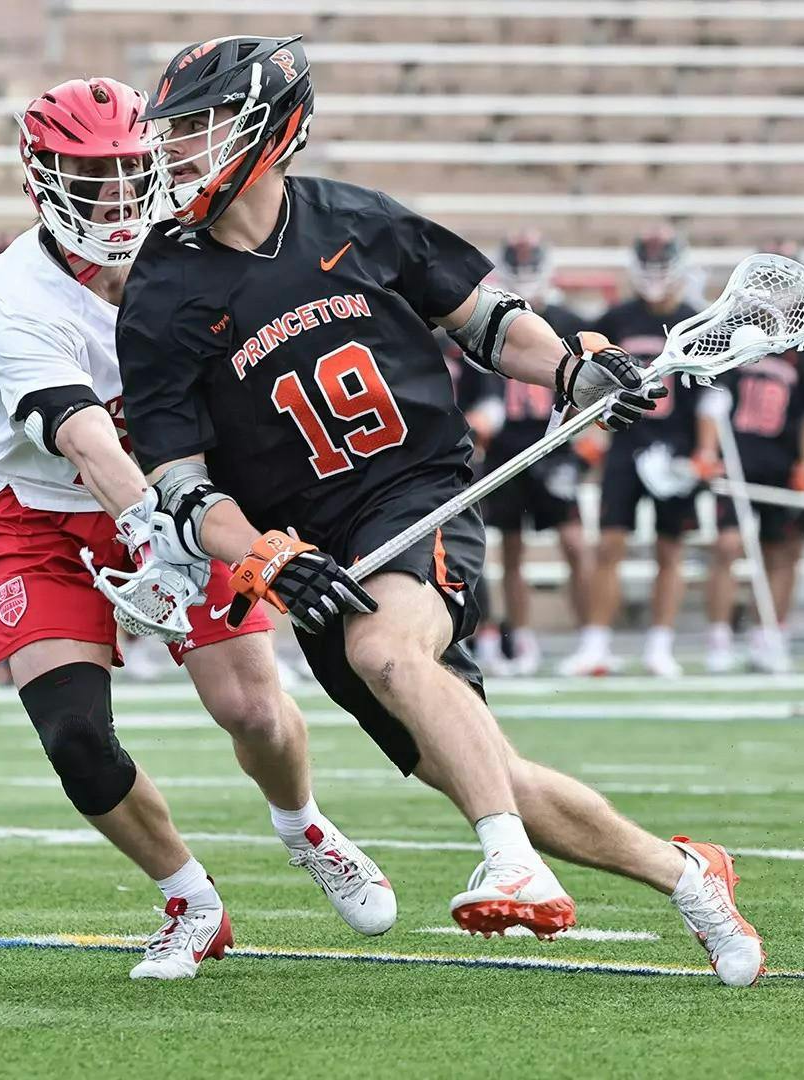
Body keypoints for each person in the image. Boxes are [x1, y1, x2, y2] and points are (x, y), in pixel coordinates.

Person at [118, 37, 763, 986]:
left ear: (268, 128)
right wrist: (261, 556)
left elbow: (488, 322)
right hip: (307, 555)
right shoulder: (161, 288)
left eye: (198, 125)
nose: (175, 149)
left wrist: (573, 372)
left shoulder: (357, 221)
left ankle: (508, 860)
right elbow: (178, 481)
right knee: (489, 766)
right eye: (172, 129)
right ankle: (690, 877)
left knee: (388, 651)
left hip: (417, 495)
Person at [0, 77, 392, 981]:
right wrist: (144, 527)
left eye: (132, 170)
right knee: (74, 737)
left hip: (186, 497)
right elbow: (84, 434)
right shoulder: (16, 291)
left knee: (252, 710)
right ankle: (190, 899)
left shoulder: (198, 249)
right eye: (92, 177)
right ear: (42, 181)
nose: (118, 195)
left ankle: (304, 826)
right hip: (51, 519)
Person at [559, 228, 701, 677]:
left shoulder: (694, 321)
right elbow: (587, 381)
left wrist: (705, 451)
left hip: (676, 448)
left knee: (670, 549)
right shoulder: (617, 319)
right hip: (625, 443)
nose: (656, 274)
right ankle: (596, 643)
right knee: (609, 545)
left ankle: (660, 645)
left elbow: (711, 395)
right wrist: (589, 434)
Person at [464, 231, 589, 676]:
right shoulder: (492, 319)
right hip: (506, 450)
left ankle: (591, 637)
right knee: (511, 549)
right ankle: (521, 637)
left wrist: (587, 434)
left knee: (574, 542)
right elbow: (484, 394)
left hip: (554, 444)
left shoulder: (567, 320)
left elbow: (588, 383)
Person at [696, 344, 804, 674]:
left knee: (781, 552)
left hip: (782, 463)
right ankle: (719, 638)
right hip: (735, 462)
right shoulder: (732, 340)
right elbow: (712, 398)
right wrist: (708, 450)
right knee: (727, 546)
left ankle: (767, 637)